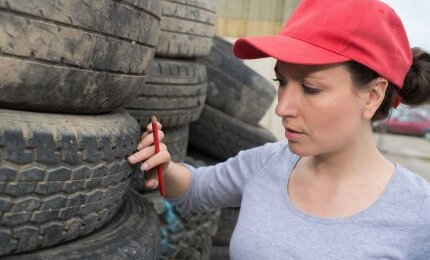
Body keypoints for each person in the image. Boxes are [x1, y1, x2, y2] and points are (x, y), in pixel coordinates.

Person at [128, 0, 430, 258]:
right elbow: (195, 188)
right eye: (281, 81)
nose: (282, 107)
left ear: (373, 95)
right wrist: (164, 168)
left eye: (310, 88)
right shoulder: (265, 163)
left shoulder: (419, 213)